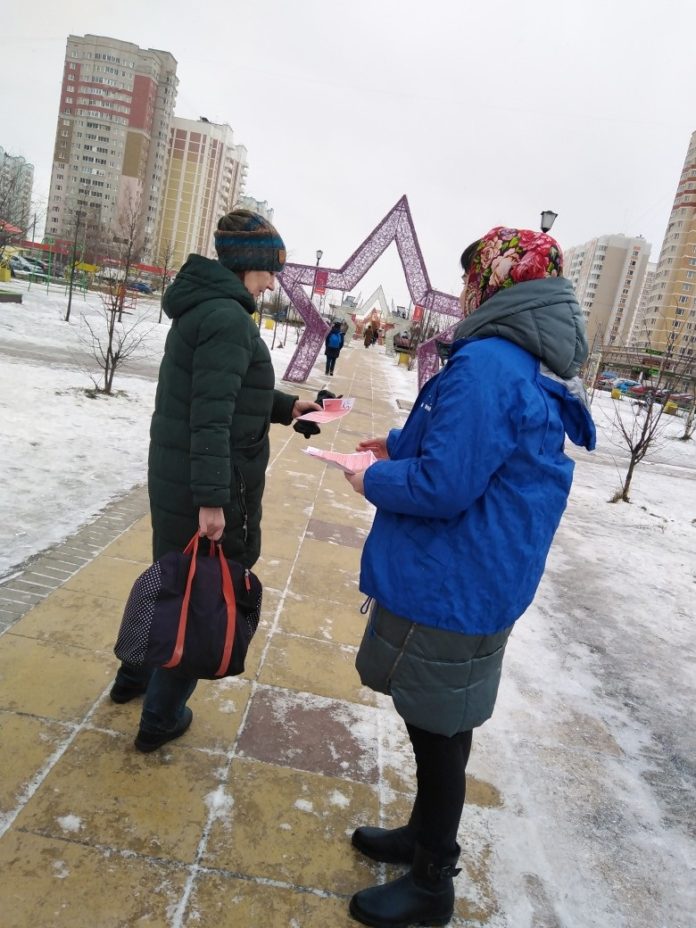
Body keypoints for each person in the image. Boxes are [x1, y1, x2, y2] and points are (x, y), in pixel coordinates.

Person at [343, 226, 596, 928]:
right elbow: (481, 447)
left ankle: (432, 882)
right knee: (439, 719)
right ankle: (423, 838)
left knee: (439, 732)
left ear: (497, 285)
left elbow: (446, 483)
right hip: (482, 572)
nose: (463, 292)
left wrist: (373, 476)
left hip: (455, 578)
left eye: (471, 279)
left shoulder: (489, 362)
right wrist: (395, 444)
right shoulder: (520, 360)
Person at [111, 209, 320, 752]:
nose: (275, 280)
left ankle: (133, 677)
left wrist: (284, 407)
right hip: (208, 479)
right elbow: (211, 417)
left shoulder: (209, 309)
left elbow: (222, 397)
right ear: (249, 264)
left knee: (173, 579)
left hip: (180, 471)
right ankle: (160, 718)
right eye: (271, 268)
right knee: (203, 595)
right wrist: (213, 502)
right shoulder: (228, 318)